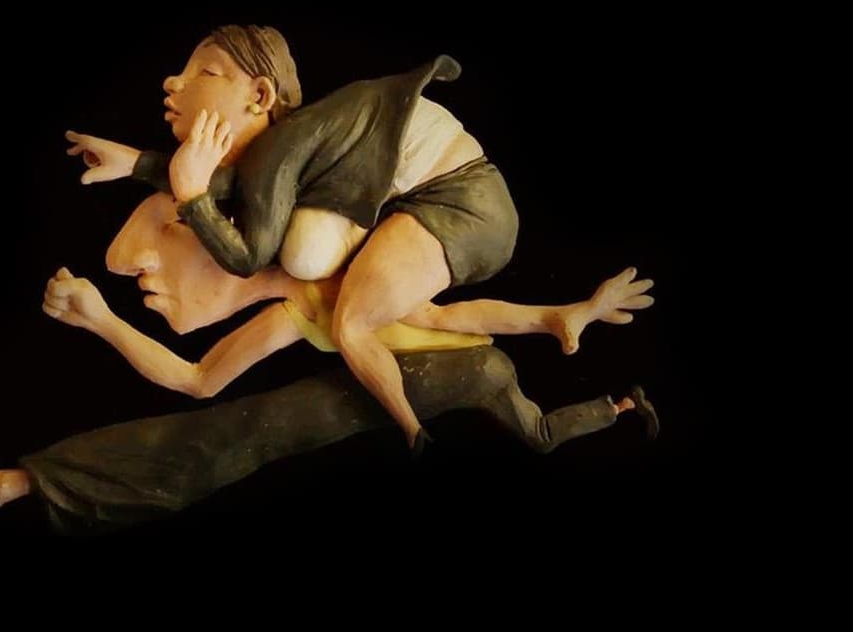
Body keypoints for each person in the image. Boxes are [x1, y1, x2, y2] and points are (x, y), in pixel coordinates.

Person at [0, 191, 658, 533]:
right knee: (212, 442)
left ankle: (10, 486)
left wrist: (564, 314)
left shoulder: (368, 279)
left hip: (450, 378)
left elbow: (456, 315)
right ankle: (10, 485)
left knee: (219, 442)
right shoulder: (300, 309)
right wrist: (103, 321)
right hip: (407, 390)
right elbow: (196, 379)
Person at [65, 25, 523, 452]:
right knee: (410, 316)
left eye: (205, 72)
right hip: (468, 232)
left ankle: (415, 434)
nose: (171, 81)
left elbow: (246, 253)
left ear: (260, 95)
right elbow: (200, 380)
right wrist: (99, 317)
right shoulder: (338, 281)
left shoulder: (295, 200)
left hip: (465, 204)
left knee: (348, 322)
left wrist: (192, 198)